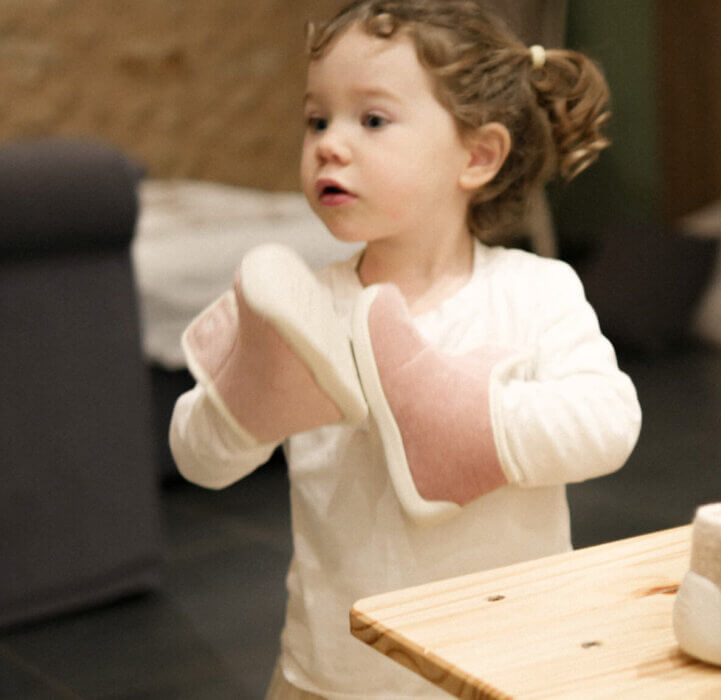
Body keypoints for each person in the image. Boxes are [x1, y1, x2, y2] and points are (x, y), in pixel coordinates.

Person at [169, 1, 641, 697]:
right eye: (317, 119)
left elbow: (608, 422)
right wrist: (247, 405)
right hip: (335, 675)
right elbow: (195, 458)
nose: (330, 144)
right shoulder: (301, 306)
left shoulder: (534, 291)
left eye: (373, 120)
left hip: (503, 667)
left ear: (477, 156)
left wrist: (468, 425)